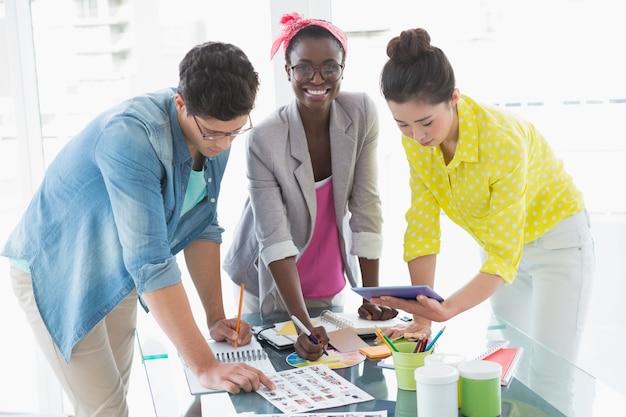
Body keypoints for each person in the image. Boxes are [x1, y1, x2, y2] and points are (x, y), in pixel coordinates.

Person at [2, 41, 274, 417]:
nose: (224, 144)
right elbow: (152, 264)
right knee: (106, 410)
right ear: (181, 104)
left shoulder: (214, 132)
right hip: (58, 270)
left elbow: (202, 224)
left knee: (112, 400)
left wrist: (215, 318)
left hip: (118, 268)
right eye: (213, 133)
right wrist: (205, 366)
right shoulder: (130, 137)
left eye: (234, 132)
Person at [374, 28, 594, 370]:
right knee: (511, 364)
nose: (416, 136)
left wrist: (446, 309)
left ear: (454, 98)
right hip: (499, 253)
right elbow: (422, 227)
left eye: (426, 122)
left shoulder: (502, 140)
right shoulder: (417, 144)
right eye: (402, 124)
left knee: (553, 370)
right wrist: (423, 316)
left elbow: (506, 254)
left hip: (558, 246)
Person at [223, 12, 397, 361]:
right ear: (287, 70)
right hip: (273, 280)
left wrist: (371, 296)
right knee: (280, 368)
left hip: (328, 270)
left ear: (343, 68)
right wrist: (302, 326)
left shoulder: (361, 112)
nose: (317, 78)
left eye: (329, 67)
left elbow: (366, 208)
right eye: (304, 68)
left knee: (334, 371)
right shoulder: (264, 138)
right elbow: (273, 237)